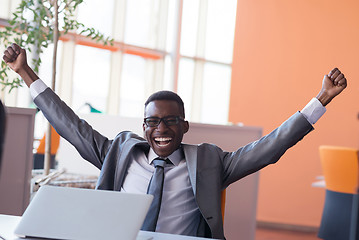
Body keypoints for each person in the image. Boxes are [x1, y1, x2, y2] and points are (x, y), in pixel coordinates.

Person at [2, 43, 347, 239]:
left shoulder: (211, 163)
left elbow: (271, 146)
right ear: (144, 126)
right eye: (152, 121)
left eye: (170, 121)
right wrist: (24, 72)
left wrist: (320, 100)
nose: (161, 128)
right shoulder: (119, 153)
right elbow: (70, 125)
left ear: (184, 126)